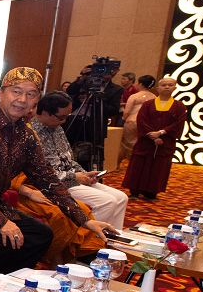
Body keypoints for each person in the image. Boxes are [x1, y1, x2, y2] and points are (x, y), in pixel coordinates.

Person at [0, 67, 113, 276]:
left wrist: (84, 220)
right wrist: (1, 221)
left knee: (41, 234)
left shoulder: (26, 135)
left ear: (36, 100)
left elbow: (47, 178)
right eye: (16, 91)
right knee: (5, 239)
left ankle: (3, 281)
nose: (22, 99)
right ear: (0, 93)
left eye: (30, 94)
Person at [31, 91, 129, 228]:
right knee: (107, 202)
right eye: (61, 117)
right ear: (45, 113)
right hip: (55, 184)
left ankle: (111, 236)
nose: (64, 121)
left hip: (72, 178)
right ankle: (89, 238)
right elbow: (39, 171)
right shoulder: (31, 132)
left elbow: (68, 158)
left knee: (121, 197)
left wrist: (84, 173)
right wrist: (75, 177)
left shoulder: (57, 128)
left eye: (67, 116)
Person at [9, 173, 105, 265]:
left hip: (40, 187)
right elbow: (7, 179)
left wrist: (85, 220)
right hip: (17, 192)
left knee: (82, 208)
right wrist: (29, 192)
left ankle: (71, 256)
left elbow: (46, 174)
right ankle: (54, 259)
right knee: (58, 215)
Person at [121, 76, 187, 200]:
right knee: (139, 165)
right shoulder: (148, 104)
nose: (167, 87)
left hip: (165, 141)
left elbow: (178, 123)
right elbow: (141, 120)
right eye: (164, 85)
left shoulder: (179, 106)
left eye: (170, 85)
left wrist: (161, 133)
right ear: (158, 88)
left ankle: (151, 192)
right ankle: (134, 191)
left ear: (175, 88)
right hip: (146, 139)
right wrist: (152, 135)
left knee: (158, 167)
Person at [120, 75, 157, 160]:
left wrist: (123, 119)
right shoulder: (154, 97)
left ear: (140, 84)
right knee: (140, 144)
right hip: (146, 124)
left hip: (132, 121)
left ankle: (124, 162)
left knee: (126, 144)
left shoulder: (134, 96)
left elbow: (127, 112)